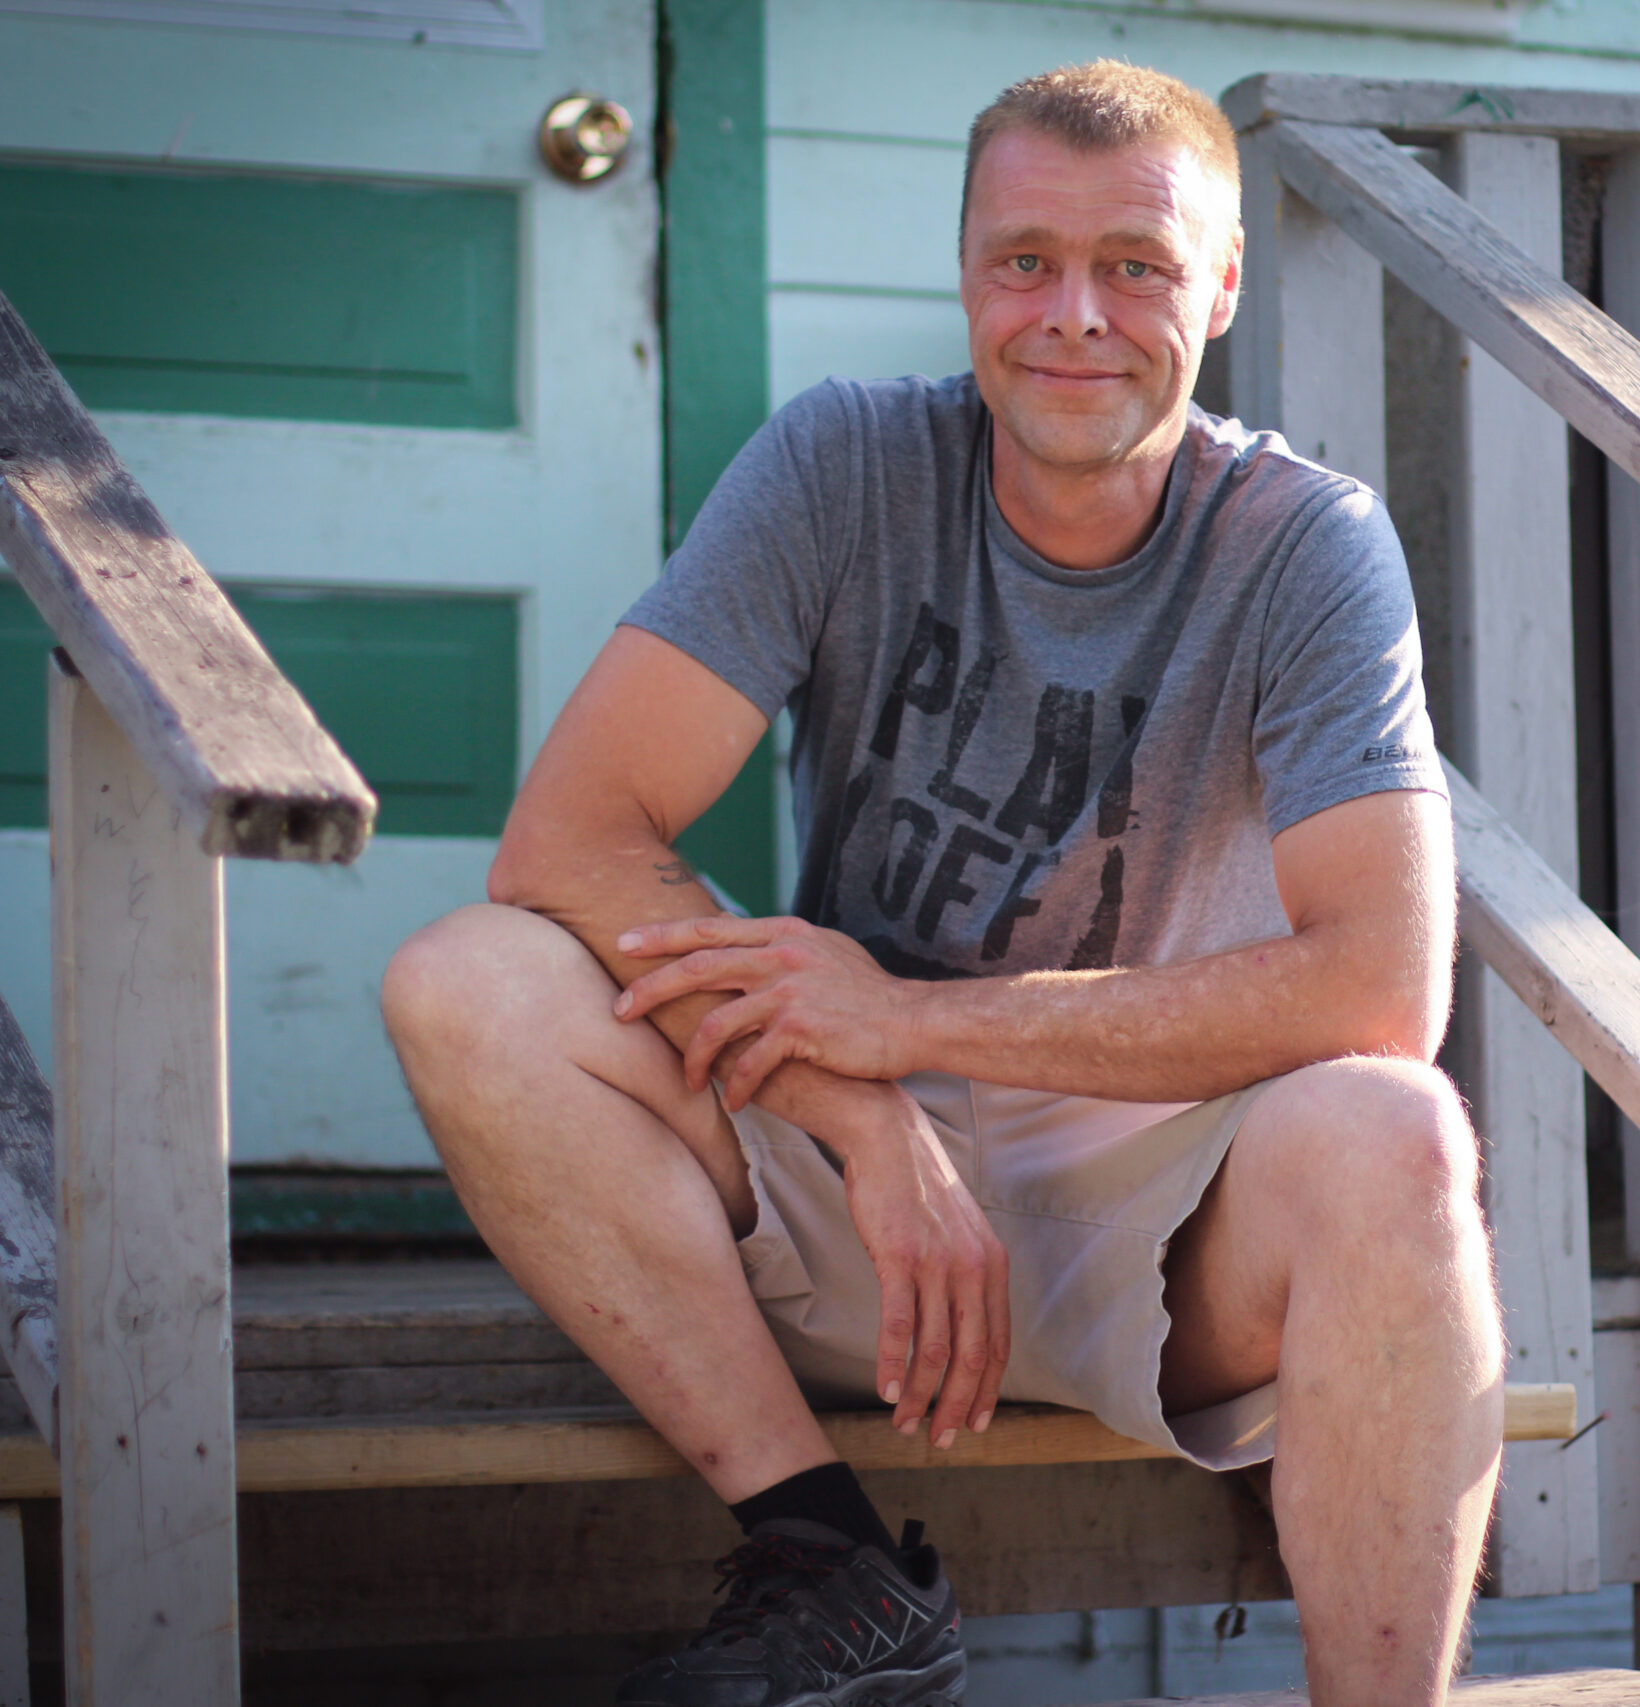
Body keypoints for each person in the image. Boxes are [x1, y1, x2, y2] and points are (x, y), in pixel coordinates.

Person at [382, 59, 1503, 1707]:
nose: (1073, 317)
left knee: (1402, 1133)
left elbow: (1378, 990)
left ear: (1225, 283)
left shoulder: (1304, 545)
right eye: (1023, 261)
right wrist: (867, 1103)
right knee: (468, 977)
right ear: (966, 266)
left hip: (1159, 1215)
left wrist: (914, 1020)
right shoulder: (846, 467)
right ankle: (831, 1566)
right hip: (848, 1200)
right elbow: (572, 838)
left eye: (1136, 264)